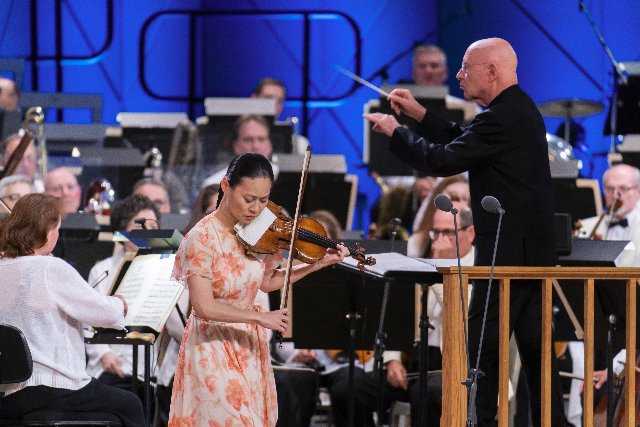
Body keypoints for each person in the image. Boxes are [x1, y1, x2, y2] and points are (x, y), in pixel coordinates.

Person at [364, 37, 566, 426]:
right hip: (528, 259)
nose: (458, 75)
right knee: (537, 362)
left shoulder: (503, 117)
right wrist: (419, 114)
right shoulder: (515, 111)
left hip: (507, 262)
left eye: (465, 67)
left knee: (481, 360)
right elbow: (463, 137)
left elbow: (441, 160)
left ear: (491, 71)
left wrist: (395, 132)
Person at [168, 152, 349, 426]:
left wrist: (318, 263)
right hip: (212, 348)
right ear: (226, 186)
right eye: (248, 199)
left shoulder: (258, 230)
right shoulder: (201, 238)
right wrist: (260, 317)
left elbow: (268, 281)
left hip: (248, 347)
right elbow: (204, 307)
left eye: (263, 200)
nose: (256, 208)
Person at [0, 193, 145, 426]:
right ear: (47, 230)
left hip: (10, 397)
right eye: (57, 228)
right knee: (130, 404)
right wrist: (119, 303)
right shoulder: (51, 268)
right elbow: (105, 313)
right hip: (59, 389)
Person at [85, 194, 161, 393]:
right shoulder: (102, 270)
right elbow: (89, 321)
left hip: (153, 371)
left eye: (153, 227)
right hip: (113, 369)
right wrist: (104, 354)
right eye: (139, 227)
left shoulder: (167, 270)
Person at [578, 163, 640, 266]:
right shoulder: (586, 228)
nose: (615, 195)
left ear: (638, 191)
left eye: (623, 188)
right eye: (610, 189)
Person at [201, 114, 279, 188]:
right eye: (248, 140)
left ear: (270, 145)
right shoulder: (215, 185)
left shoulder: (280, 178)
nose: (256, 146)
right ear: (236, 146)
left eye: (261, 139)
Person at [410, 44, 480, 123]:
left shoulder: (468, 110)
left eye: (434, 66)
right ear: (413, 73)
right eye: (422, 66)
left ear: (445, 72)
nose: (428, 71)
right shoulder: (400, 108)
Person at [252, 77, 308, 155]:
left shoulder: (298, 144)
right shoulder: (236, 137)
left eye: (280, 100)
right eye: (268, 98)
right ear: (254, 98)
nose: (274, 104)